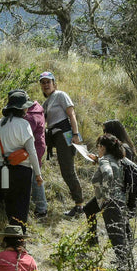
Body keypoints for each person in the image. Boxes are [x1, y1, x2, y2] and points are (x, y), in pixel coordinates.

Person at [0, 91, 44, 230]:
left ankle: (10, 234)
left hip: (1, 169)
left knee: (9, 202)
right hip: (21, 170)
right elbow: (32, 151)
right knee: (21, 205)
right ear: (21, 108)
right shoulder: (24, 124)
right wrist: (38, 174)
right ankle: (19, 239)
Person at [38, 72, 84, 218]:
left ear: (54, 83)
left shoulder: (61, 95)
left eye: (48, 82)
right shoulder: (46, 102)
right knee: (66, 170)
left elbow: (72, 115)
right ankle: (79, 204)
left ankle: (79, 206)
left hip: (66, 134)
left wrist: (76, 135)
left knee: (68, 170)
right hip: (56, 136)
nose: (46, 85)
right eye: (43, 82)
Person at [90, 134, 131, 268]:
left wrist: (106, 195)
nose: (98, 149)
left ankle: (122, 266)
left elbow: (107, 173)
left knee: (115, 234)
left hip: (110, 202)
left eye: (98, 146)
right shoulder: (116, 160)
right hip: (120, 200)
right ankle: (126, 263)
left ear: (102, 147)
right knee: (120, 233)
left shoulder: (105, 161)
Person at [24, 93, 49, 219]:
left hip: (34, 148)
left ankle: (41, 209)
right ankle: (40, 207)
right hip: (39, 146)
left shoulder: (31, 117)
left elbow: (24, 134)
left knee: (35, 177)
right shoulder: (37, 108)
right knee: (35, 175)